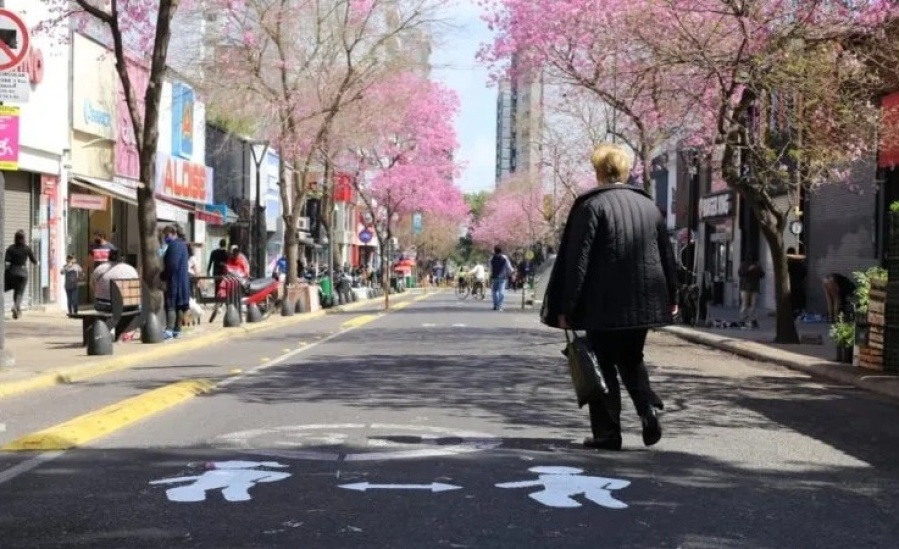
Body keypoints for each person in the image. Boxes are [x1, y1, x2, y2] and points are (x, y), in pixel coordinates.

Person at [542, 143, 678, 451]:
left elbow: (578, 261)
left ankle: (607, 434)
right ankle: (647, 408)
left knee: (601, 363)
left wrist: (567, 305)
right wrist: (673, 294)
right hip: (642, 303)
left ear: (599, 171)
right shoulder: (648, 206)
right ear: (626, 170)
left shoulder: (591, 206)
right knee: (632, 358)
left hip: (601, 306)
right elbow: (666, 255)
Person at [161, 226, 191, 339]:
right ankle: (176, 330)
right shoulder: (182, 245)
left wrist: (164, 275)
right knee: (179, 305)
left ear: (174, 233)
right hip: (182, 280)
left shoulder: (174, 245)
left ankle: (169, 330)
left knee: (171, 305)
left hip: (175, 281)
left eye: (167, 235)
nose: (165, 238)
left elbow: (172, 264)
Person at [4, 230, 37, 319]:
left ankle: (17, 310)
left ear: (15, 238)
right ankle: (16, 307)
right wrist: (38, 262)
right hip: (23, 273)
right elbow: (33, 260)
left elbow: (7, 263)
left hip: (12, 272)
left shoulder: (10, 248)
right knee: (19, 292)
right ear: (24, 238)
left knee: (12, 289)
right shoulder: (27, 248)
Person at [738, 256, 765, 327]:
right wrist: (749, 270)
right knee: (746, 304)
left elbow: (762, 275)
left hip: (752, 287)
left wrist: (757, 270)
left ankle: (751, 319)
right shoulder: (744, 265)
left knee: (752, 304)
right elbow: (740, 273)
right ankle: (743, 319)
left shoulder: (757, 265)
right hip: (746, 287)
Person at [490, 246, 514, 311]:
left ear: (494, 251)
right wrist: (512, 271)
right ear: (501, 251)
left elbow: (491, 267)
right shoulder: (504, 257)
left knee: (494, 291)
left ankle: (495, 305)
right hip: (503, 277)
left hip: (494, 276)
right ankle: (500, 306)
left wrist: (491, 274)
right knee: (501, 291)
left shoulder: (492, 258)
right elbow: (509, 266)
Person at [786, 247, 807, 317]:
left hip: (790, 285)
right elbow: (804, 272)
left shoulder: (787, 264)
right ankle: (799, 311)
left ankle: (793, 311)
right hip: (798, 283)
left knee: (792, 300)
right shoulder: (798, 263)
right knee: (799, 299)